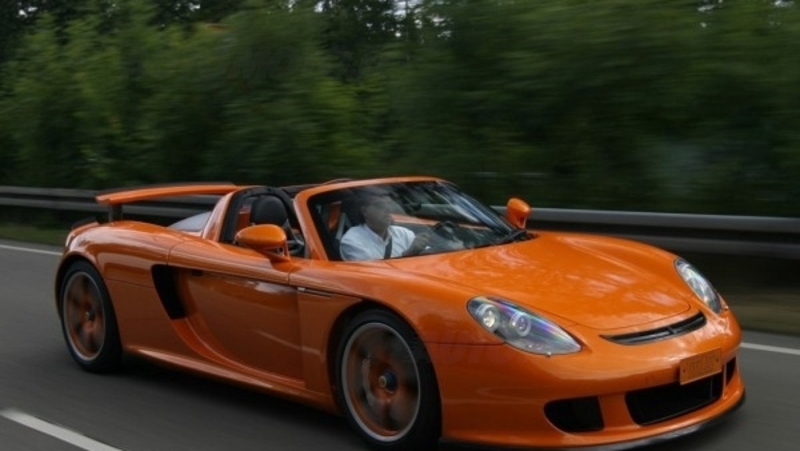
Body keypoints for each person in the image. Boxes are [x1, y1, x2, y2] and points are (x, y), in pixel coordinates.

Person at [339, 193, 430, 261]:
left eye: (388, 205)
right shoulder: (352, 241)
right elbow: (372, 276)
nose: (388, 209)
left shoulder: (404, 233)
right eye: (380, 206)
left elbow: (428, 258)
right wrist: (409, 253)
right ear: (364, 211)